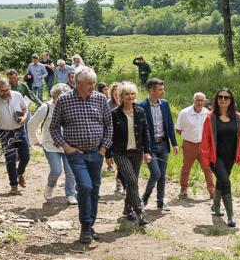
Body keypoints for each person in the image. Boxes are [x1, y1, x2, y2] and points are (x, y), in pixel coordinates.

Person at [50, 67, 112, 245]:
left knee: (94, 189)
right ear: (78, 84)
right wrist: (66, 147)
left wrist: (103, 148)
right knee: (85, 186)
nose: (92, 86)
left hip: (97, 152)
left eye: (94, 83)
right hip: (76, 154)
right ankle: (85, 226)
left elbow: (109, 125)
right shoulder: (64, 100)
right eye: (89, 84)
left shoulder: (101, 99)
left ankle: (90, 226)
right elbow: (54, 127)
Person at [105, 82, 151, 226]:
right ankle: (139, 211)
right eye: (126, 94)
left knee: (133, 182)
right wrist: (108, 154)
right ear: (121, 96)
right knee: (131, 180)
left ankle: (127, 208)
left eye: (132, 94)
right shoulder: (114, 114)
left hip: (137, 152)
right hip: (120, 153)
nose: (130, 96)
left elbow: (145, 133)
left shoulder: (140, 111)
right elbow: (109, 135)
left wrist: (147, 152)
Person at [200, 87, 240, 227]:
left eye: (226, 97)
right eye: (220, 97)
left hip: (230, 157)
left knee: (221, 181)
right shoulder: (210, 118)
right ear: (217, 99)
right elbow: (205, 140)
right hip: (215, 157)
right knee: (225, 182)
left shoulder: (238, 118)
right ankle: (231, 215)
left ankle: (216, 206)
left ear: (231, 100)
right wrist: (205, 159)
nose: (223, 99)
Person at [27, 83, 77, 204]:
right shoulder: (46, 108)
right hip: (50, 145)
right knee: (56, 170)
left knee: (70, 171)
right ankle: (50, 186)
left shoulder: (72, 107)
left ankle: (70, 194)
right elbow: (31, 124)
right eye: (60, 98)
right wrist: (35, 141)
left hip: (69, 144)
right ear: (53, 96)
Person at [0, 78, 30, 195]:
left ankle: (20, 173)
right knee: (10, 159)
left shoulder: (17, 95)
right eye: (3, 91)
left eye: (7, 90)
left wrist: (24, 117)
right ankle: (13, 185)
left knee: (25, 157)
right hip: (4, 132)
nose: (6, 93)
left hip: (19, 130)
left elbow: (25, 109)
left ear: (9, 87)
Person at [140, 78, 178, 211]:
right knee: (156, 173)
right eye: (160, 89)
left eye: (163, 89)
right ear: (151, 91)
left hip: (163, 144)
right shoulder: (141, 106)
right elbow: (139, 130)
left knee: (162, 174)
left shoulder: (165, 104)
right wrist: (143, 149)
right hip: (149, 147)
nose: (163, 91)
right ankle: (145, 197)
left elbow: (170, 124)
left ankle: (160, 201)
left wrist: (174, 143)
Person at [175, 92, 214, 199]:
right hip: (189, 145)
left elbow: (210, 130)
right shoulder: (184, 113)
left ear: (205, 102)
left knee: (207, 168)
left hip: (203, 145)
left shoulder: (208, 113)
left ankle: (212, 191)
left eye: (202, 100)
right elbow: (178, 129)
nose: (199, 102)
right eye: (197, 100)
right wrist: (189, 137)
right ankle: (183, 189)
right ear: (193, 100)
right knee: (186, 168)